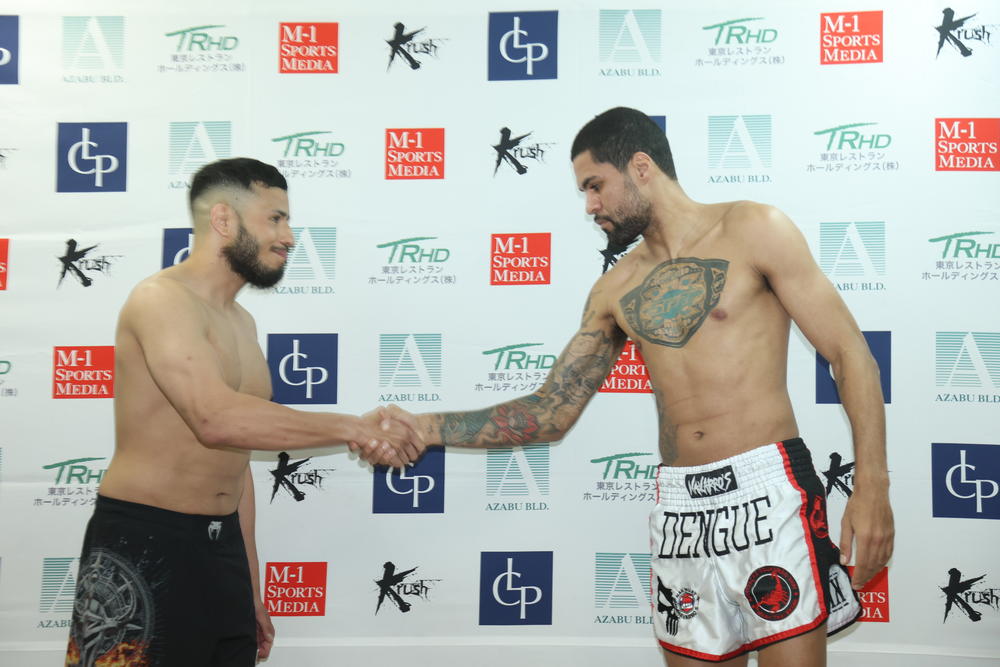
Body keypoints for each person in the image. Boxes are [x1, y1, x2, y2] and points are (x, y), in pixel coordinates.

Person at [386, 108, 893, 666]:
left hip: (768, 491)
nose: (590, 206)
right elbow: (550, 411)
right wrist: (425, 427)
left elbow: (851, 354)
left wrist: (871, 486)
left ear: (641, 167)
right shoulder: (615, 287)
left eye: (595, 185)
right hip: (680, 510)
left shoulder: (753, 227)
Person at [65, 158, 421, 667]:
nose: (289, 237)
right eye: (275, 219)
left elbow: (236, 459)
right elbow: (215, 418)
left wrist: (249, 584)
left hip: (221, 549)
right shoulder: (160, 299)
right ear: (224, 219)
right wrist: (354, 427)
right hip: (146, 538)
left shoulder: (242, 322)